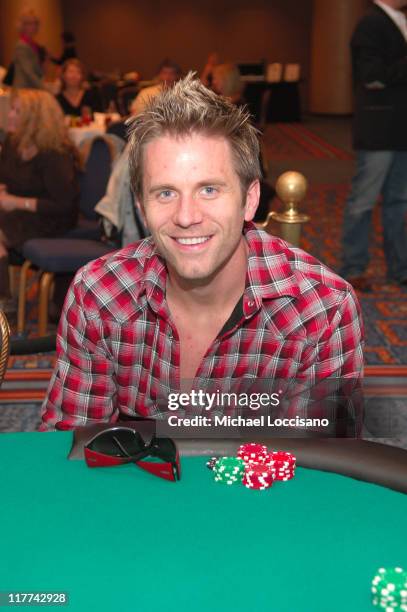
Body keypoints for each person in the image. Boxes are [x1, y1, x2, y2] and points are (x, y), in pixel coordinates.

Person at [40, 74, 363, 433]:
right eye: (165, 193)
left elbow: (319, 473)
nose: (186, 216)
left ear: (249, 199)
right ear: (140, 207)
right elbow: (74, 449)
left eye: (209, 189)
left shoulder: (321, 310)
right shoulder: (100, 294)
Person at [340, 0, 407, 292]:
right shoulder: (371, 23)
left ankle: (399, 268)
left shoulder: (399, 21)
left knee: (399, 202)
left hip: (400, 128)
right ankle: (353, 267)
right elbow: (373, 76)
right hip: (379, 128)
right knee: (363, 202)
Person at [0, 89, 79, 312]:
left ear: (35, 119)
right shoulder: (14, 143)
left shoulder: (54, 154)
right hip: (17, 211)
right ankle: (5, 301)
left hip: (49, 218)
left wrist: (15, 202)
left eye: (17, 111)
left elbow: (64, 205)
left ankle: (4, 306)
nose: (10, 115)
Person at [11, 7, 47, 89]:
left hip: (32, 88)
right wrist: (45, 88)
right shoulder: (21, 45)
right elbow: (28, 73)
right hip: (24, 90)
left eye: (35, 23)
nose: (33, 26)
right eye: (28, 23)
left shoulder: (34, 44)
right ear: (22, 25)